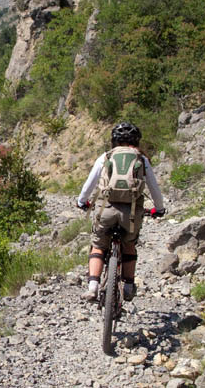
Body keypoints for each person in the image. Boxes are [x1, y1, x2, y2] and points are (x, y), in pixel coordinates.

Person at [75, 122, 166, 302]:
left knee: (99, 246)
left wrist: (82, 201)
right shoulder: (141, 159)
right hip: (131, 214)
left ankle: (92, 287)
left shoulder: (106, 156)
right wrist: (159, 209)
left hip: (106, 210)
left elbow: (89, 184)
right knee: (129, 244)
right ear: (136, 141)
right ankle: (129, 285)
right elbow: (154, 189)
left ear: (114, 141)